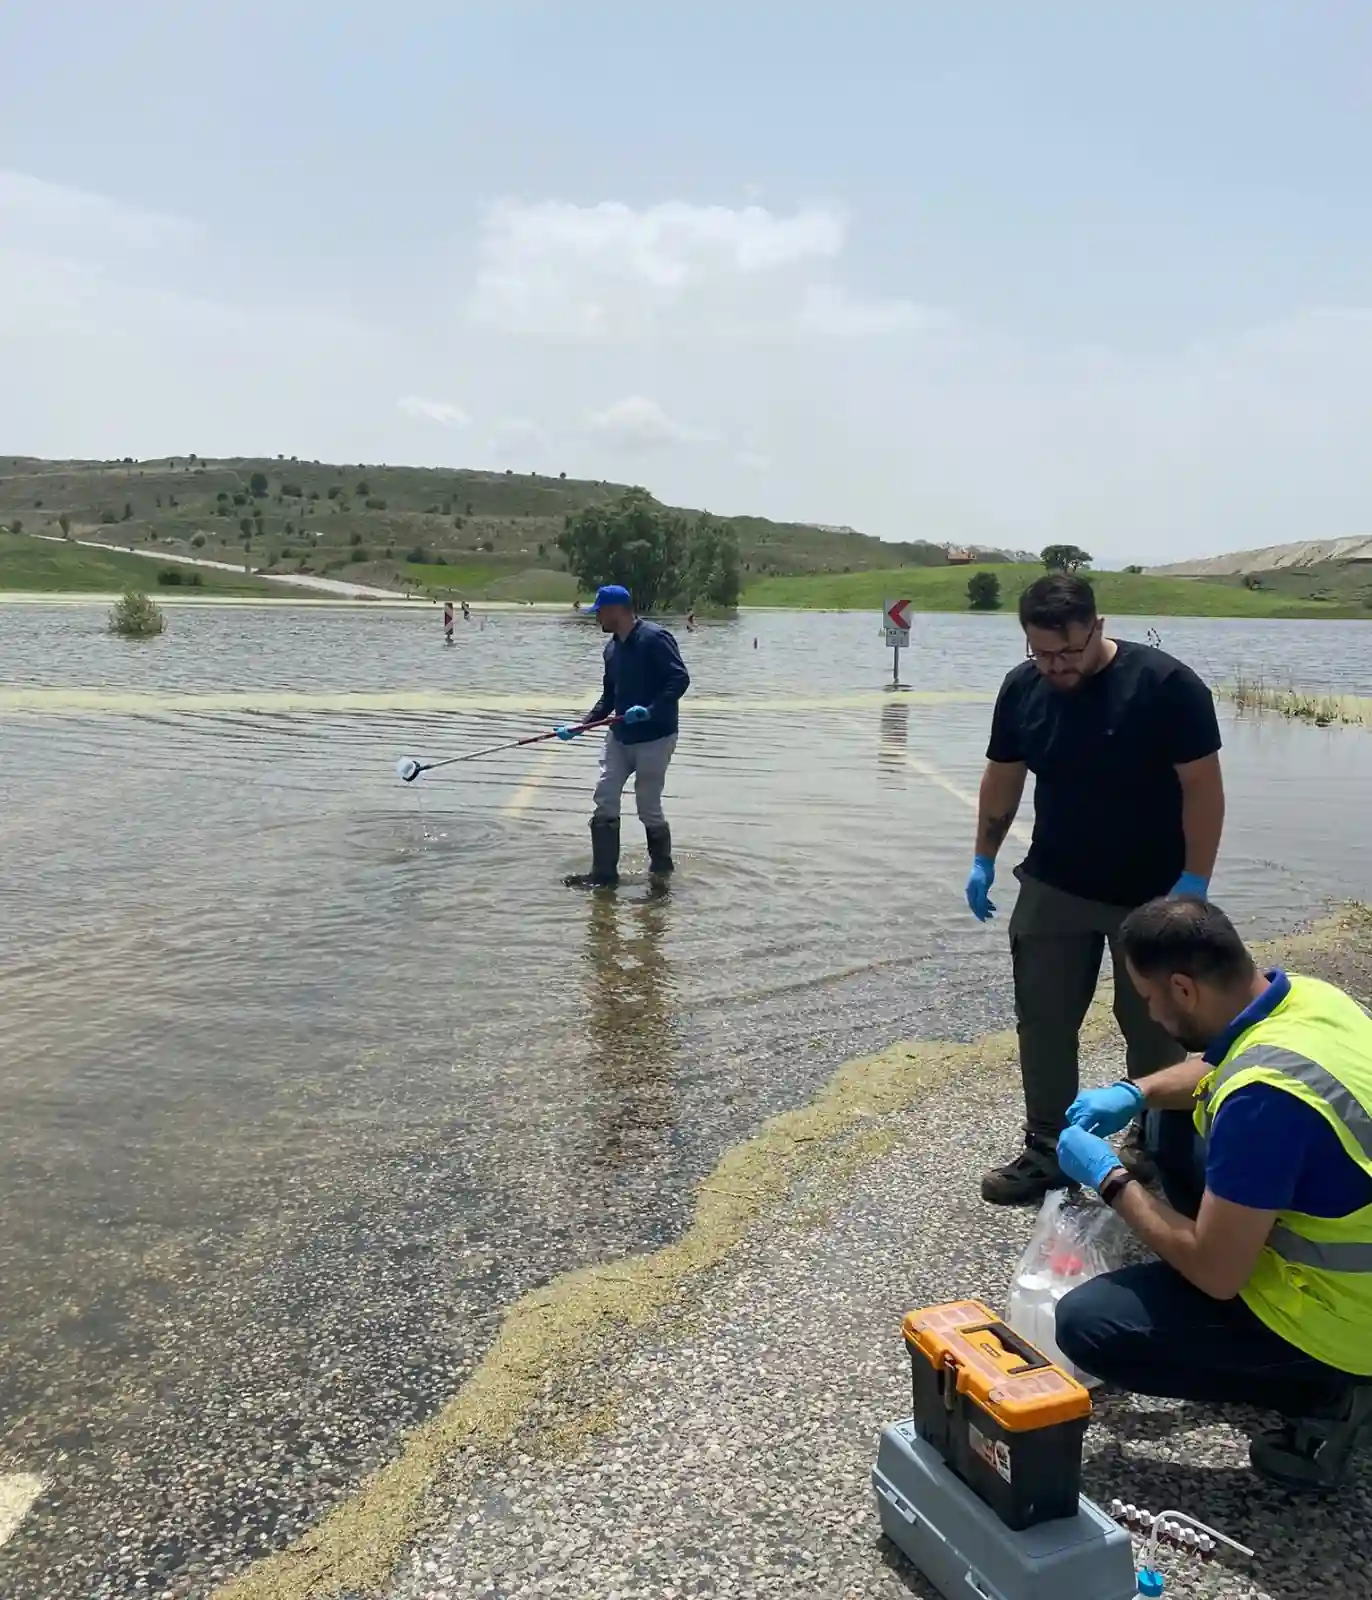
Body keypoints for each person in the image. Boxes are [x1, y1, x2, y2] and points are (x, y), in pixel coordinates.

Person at [1054, 897, 1372, 1493]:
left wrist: (1110, 1181)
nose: (1149, 1013)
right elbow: (1212, 1068)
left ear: (1183, 988)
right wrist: (1134, 1089)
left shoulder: (1263, 1102)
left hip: (1351, 1316)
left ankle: (1328, 1391)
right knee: (1169, 1114)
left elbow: (1217, 1272)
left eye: (1148, 998)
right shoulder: (1306, 997)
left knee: (1089, 1325)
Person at [968, 573, 1225, 1204]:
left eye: (1070, 652)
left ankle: (1153, 1147)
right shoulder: (1022, 688)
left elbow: (1203, 789)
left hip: (1155, 893)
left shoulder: (1167, 686)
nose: (1057, 666)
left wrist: (1195, 883)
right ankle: (1048, 1149)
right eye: (1043, 654)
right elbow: (1003, 780)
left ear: (1098, 628)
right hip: (1056, 884)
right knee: (1044, 1020)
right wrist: (982, 859)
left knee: (1157, 1026)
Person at [560, 585, 690, 888]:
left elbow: (679, 678)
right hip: (619, 737)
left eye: (600, 611)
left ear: (618, 609)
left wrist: (651, 709)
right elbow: (609, 698)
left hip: (656, 736)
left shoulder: (655, 639)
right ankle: (603, 876)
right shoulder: (611, 648)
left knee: (648, 805)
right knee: (605, 795)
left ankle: (661, 873)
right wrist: (582, 725)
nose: (597, 618)